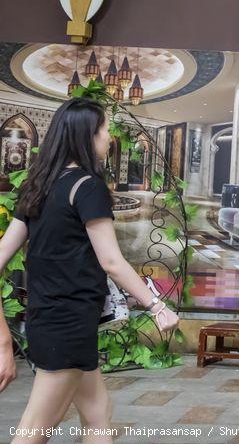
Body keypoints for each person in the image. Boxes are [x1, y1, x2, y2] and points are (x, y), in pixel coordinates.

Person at [0, 97, 180, 444]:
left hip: (50, 320)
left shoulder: (38, 186)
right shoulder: (87, 187)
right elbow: (111, 261)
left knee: (99, 415)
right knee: (33, 433)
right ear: (87, 136)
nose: (109, 137)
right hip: (67, 327)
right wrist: (157, 306)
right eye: (105, 130)